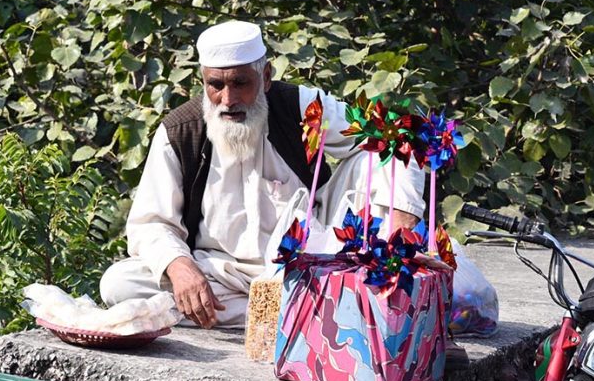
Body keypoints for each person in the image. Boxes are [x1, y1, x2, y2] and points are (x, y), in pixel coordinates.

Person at [99, 20, 427, 330]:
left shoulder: (303, 107)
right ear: (203, 81)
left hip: (311, 264)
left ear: (265, 76)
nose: (228, 100)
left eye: (241, 83)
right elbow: (150, 224)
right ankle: (312, 312)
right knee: (118, 284)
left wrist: (400, 235)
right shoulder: (180, 131)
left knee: (376, 159)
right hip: (220, 275)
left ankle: (317, 304)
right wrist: (180, 267)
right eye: (216, 85)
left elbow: (395, 137)